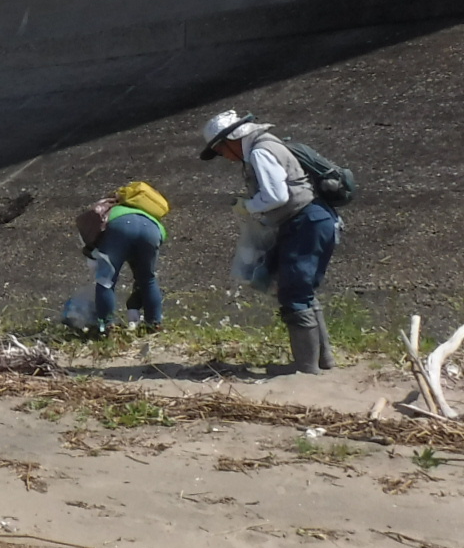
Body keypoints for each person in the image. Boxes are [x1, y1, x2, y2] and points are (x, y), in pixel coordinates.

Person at [201, 111, 343, 374]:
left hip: (306, 221)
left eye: (221, 151)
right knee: (303, 290)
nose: (225, 157)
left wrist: (248, 206)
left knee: (293, 292)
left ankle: (305, 367)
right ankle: (323, 361)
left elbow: (276, 196)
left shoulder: (259, 151)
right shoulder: (269, 144)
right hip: (314, 219)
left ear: (230, 140)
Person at [85, 184, 166, 334]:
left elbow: (93, 234)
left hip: (119, 227)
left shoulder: (115, 209)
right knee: (148, 279)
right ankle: (154, 323)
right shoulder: (151, 216)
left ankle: (106, 326)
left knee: (106, 280)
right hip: (153, 231)